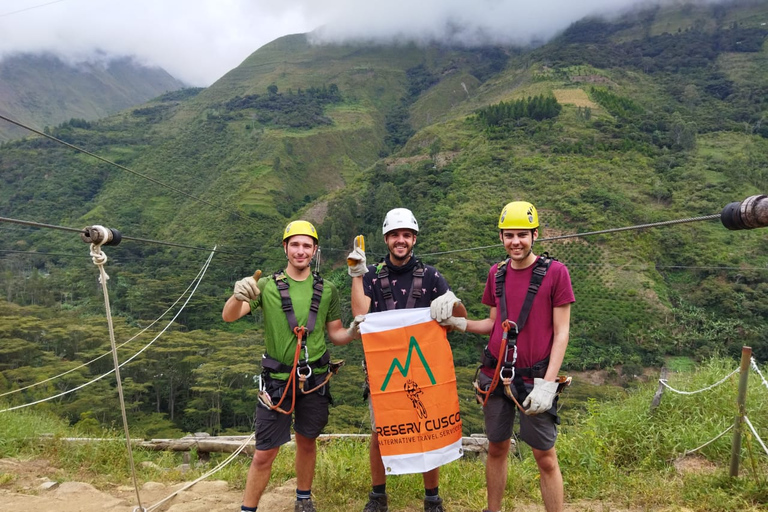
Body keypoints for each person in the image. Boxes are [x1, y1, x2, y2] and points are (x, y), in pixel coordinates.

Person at [433, 201, 574, 512]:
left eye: (522, 235)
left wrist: (548, 383)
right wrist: (459, 323)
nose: (516, 242)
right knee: (496, 447)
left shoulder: (556, 273)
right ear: (500, 237)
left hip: (535, 377)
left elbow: (561, 332)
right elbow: (492, 323)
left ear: (535, 235)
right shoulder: (496, 274)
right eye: (509, 235)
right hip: (496, 374)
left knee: (545, 456)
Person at [223, 220, 363, 512]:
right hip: (277, 380)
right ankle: (248, 508)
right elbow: (230, 316)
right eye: (295, 245)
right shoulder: (266, 286)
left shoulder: (327, 291)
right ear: (285, 248)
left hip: (315, 379)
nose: (301, 251)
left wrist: (351, 332)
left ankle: (303, 498)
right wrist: (237, 296)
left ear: (314, 251)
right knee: (264, 453)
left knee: (307, 440)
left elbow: (335, 334)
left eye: (306, 246)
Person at [348, 207, 463, 512]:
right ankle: (377, 495)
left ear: (414, 239)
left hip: (423, 365)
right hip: (384, 368)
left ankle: (432, 496)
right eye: (395, 235)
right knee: (380, 431)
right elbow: (360, 315)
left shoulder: (432, 277)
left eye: (406, 235)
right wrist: (357, 278)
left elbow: (455, 319)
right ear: (387, 239)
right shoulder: (371, 276)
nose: (401, 241)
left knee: (428, 428)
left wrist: (452, 303)